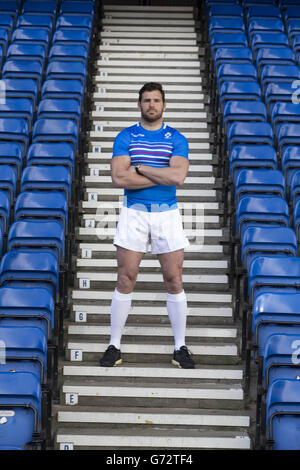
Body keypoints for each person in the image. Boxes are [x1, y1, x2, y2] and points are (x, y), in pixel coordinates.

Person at [99, 82, 195, 369]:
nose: (151, 104)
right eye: (146, 100)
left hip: (167, 214)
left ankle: (180, 347)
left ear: (164, 105)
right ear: (139, 104)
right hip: (133, 213)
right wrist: (160, 173)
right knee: (125, 278)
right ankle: (114, 345)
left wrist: (139, 168)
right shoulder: (125, 136)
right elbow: (119, 179)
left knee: (173, 279)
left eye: (156, 100)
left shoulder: (177, 138)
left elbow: (177, 177)